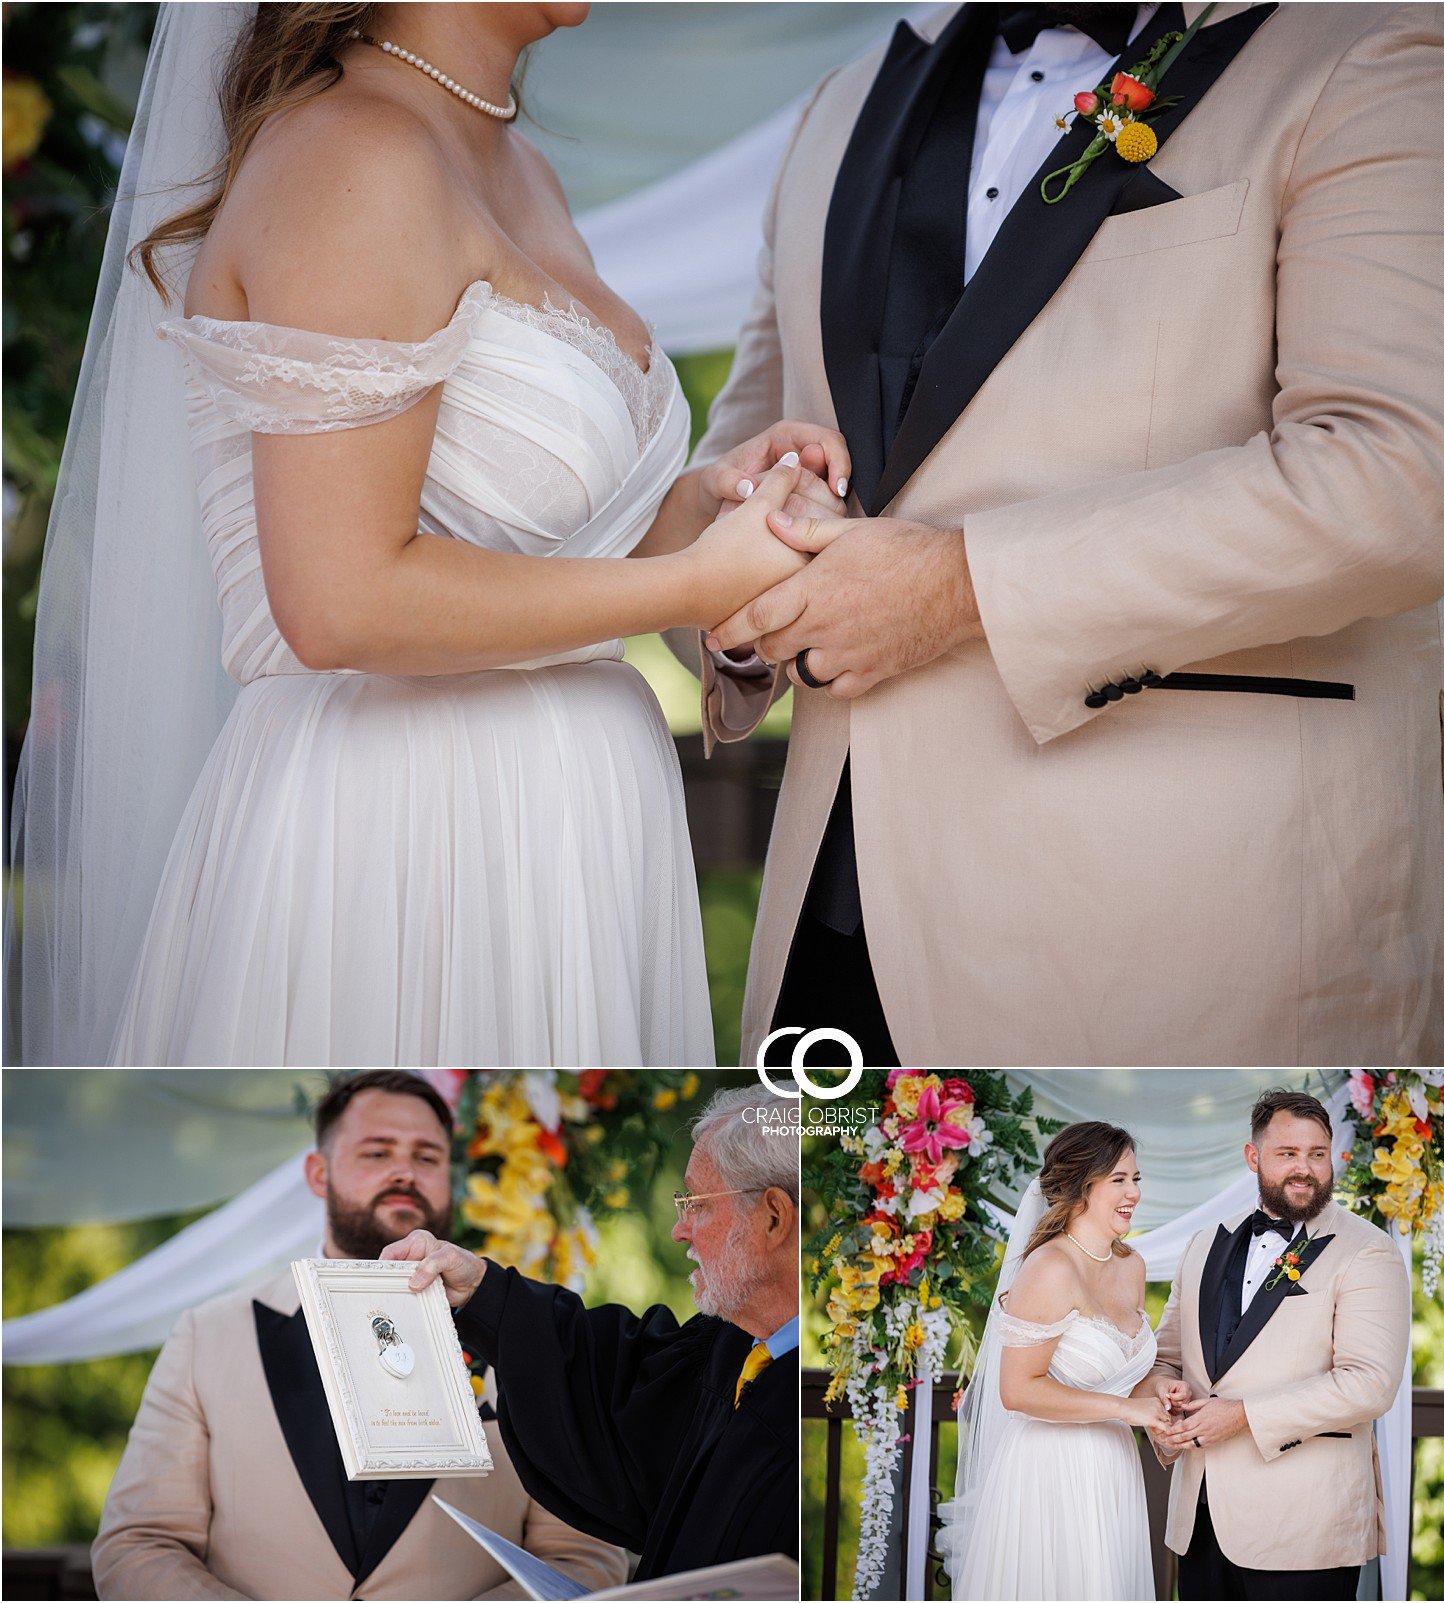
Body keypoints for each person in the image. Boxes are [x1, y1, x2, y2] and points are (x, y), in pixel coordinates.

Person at [688, 1, 1444, 1067]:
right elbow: (744, 458)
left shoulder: (1390, 43)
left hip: (1187, 941)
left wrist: (956, 586)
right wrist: (744, 592)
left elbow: (1403, 480)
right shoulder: (838, 106)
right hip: (827, 921)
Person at [8, 2, 849, 1066]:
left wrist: (716, 506)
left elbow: (543, 554)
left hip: (563, 828)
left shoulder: (517, 167)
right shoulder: (353, 152)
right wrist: (689, 583)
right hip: (409, 830)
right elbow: (341, 597)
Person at [92, 1071, 624, 1601]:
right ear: (318, 1174)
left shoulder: (521, 1334)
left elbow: (586, 1558)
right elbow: (139, 1543)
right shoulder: (208, 1337)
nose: (404, 1173)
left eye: (427, 1157)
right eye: (377, 1153)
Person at [384, 1084, 799, 1584]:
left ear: (773, 1217)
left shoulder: (834, 1393)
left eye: (697, 1203)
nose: (679, 1230)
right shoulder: (733, 1350)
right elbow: (613, 1392)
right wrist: (483, 1293)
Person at [1149, 1088, 1411, 1601]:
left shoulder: (1369, 1252)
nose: (1305, 1169)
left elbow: (1370, 1386)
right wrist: (1165, 1391)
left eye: (1317, 1154)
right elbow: (1167, 1357)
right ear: (1253, 1158)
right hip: (1202, 1521)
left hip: (1305, 1529)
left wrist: (1242, 1415)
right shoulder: (1204, 1243)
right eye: (1288, 1154)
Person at [937, 1121, 1182, 1600]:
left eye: (1136, 1179)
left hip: (1112, 1469)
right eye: (1119, 1180)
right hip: (1050, 1472)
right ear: (1080, 1187)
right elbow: (1019, 1389)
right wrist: (1127, 1411)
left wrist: (1154, 1392)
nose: (1133, 1192)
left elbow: (1114, 1375)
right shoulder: (1049, 1267)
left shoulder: (1132, 1266)